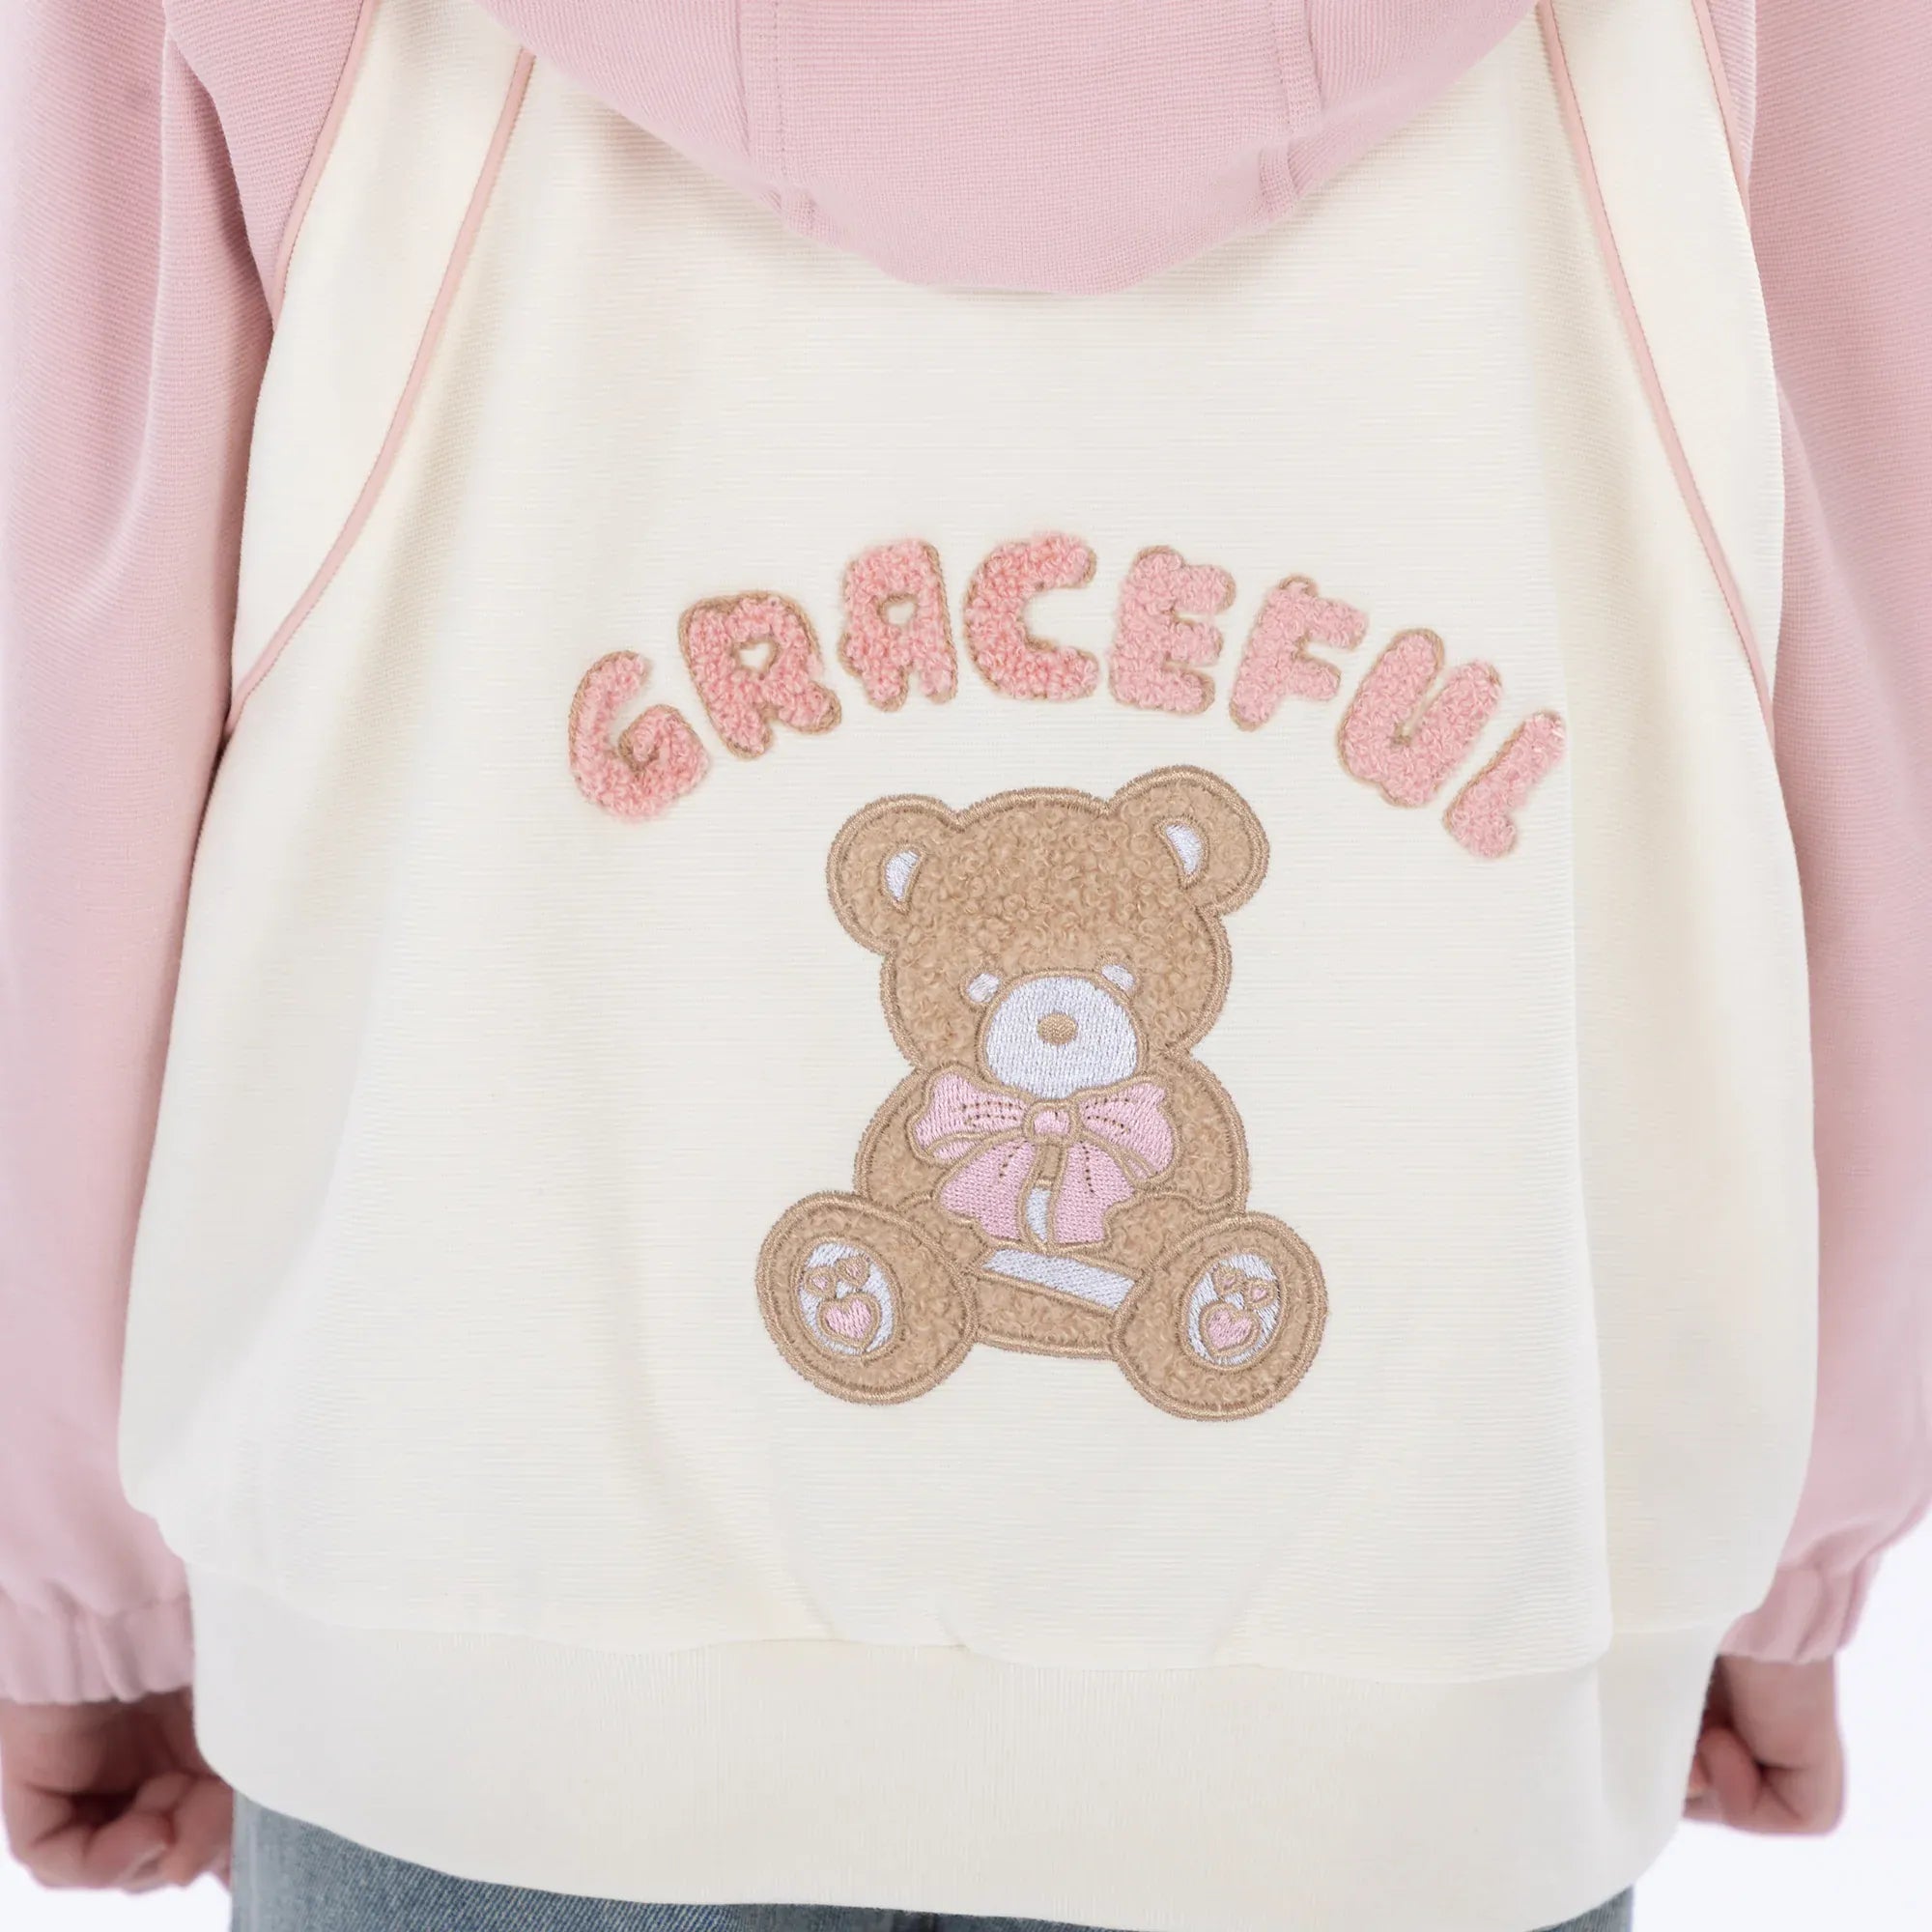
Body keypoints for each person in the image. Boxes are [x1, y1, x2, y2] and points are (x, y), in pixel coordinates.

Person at [1, 3, 1925, 1929]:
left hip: (467, 1605)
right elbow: (1869, 635)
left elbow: (75, 679)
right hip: (1426, 1643)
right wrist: (1790, 1513)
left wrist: (77, 1565)